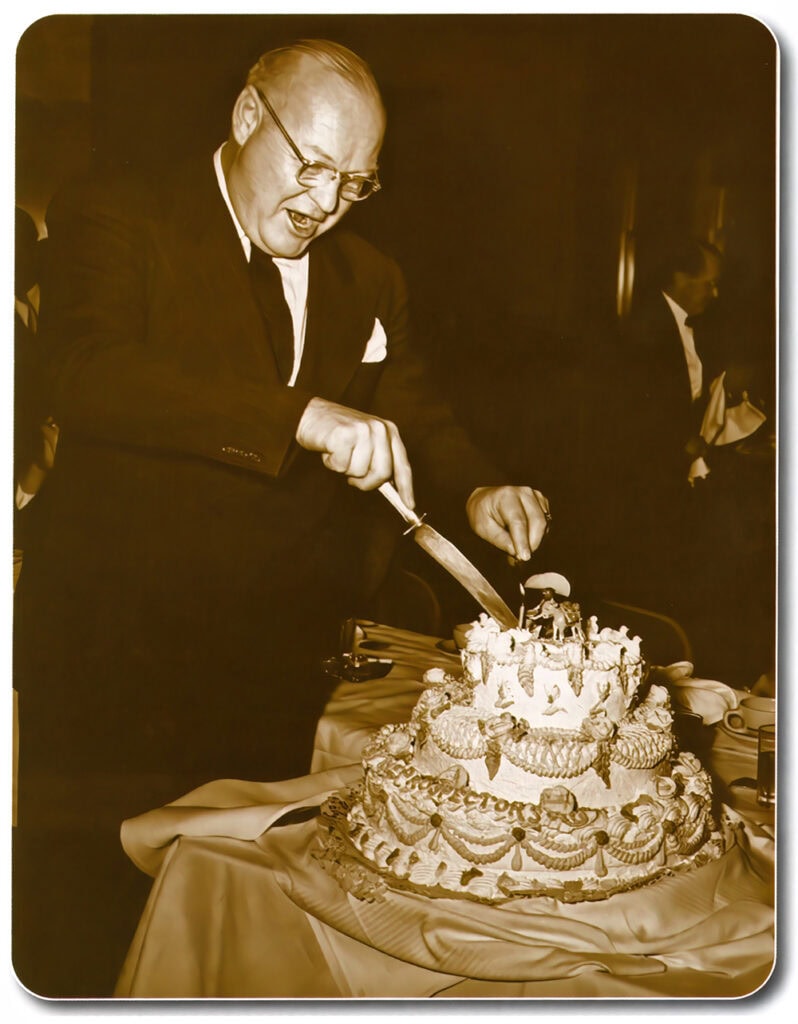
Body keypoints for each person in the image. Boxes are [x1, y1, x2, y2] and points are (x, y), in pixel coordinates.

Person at [13, 39, 550, 996]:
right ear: (246, 116)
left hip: (264, 666)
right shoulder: (119, 212)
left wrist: (478, 490)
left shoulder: (369, 276)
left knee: (237, 927)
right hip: (109, 654)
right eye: (311, 166)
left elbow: (418, 415)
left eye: (356, 183)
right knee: (82, 925)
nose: (325, 202)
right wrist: (294, 417)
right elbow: (86, 375)